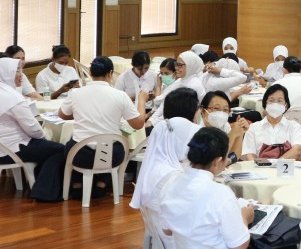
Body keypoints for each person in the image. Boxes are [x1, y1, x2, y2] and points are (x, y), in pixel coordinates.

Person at [159, 127, 295, 249]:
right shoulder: (218, 193)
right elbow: (240, 246)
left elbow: (167, 229)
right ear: (217, 161)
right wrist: (244, 218)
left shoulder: (171, 181)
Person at [58, 56, 147, 197]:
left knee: (72, 142)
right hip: (109, 155)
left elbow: (62, 115)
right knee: (117, 144)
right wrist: (141, 100)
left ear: (90, 73)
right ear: (110, 73)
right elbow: (138, 124)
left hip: (80, 155)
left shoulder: (76, 93)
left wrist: (81, 113)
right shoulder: (120, 96)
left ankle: (77, 184)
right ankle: (102, 184)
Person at [0, 57, 65, 201]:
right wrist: (45, 135)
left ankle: (39, 182)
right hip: (13, 147)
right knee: (60, 149)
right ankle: (44, 192)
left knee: (47, 149)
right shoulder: (13, 98)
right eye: (17, 71)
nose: (21, 74)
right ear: (6, 73)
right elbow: (32, 128)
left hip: (4, 145)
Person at [129, 88, 201, 210]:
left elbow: (148, 158)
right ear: (192, 110)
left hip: (151, 186)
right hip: (180, 192)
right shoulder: (197, 130)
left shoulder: (161, 126)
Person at [242, 84, 301, 160]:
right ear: (265, 104)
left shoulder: (294, 126)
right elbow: (250, 155)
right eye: (271, 101)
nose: (275, 104)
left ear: (286, 105)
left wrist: (277, 163)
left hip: (286, 167)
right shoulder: (253, 128)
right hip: (260, 166)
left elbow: (297, 149)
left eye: (280, 101)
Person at [149, 51, 206, 127]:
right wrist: (151, 120)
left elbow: (175, 111)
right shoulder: (180, 81)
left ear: (190, 65)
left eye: (180, 65)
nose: (176, 68)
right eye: (176, 64)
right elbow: (164, 102)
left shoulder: (193, 85)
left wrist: (153, 123)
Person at [199, 90, 249, 156]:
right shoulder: (197, 129)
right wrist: (233, 134)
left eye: (225, 110)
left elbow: (234, 156)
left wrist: (240, 133)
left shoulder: (225, 126)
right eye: (216, 108)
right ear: (203, 110)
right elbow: (217, 158)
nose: (221, 114)